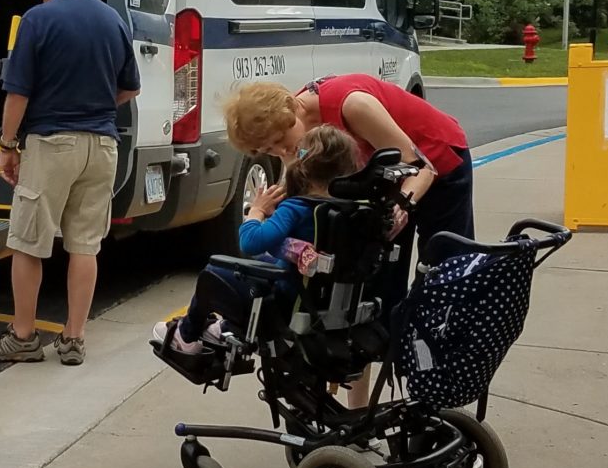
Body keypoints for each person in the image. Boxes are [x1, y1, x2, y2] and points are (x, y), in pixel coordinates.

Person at [0, 0, 139, 367]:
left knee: (28, 242)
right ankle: (73, 339)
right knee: (85, 245)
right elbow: (131, 86)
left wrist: (8, 145)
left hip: (52, 143)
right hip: (102, 145)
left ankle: (24, 336)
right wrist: (97, 106)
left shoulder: (38, 19)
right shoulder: (112, 20)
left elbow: (17, 93)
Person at [150, 127, 361, 357]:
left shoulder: (297, 207)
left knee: (214, 271)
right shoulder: (346, 209)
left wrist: (257, 211)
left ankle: (187, 334)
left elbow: (250, 242)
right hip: (323, 298)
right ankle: (222, 328)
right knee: (263, 260)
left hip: (287, 300)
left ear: (304, 165)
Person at [223, 75, 476, 259]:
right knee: (381, 266)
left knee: (445, 261)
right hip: (386, 171)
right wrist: (269, 209)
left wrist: (401, 204)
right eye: (269, 150)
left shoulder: (352, 105)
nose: (281, 152)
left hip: (437, 157)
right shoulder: (292, 123)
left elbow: (422, 168)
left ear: (291, 114)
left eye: (279, 141)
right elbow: (294, 178)